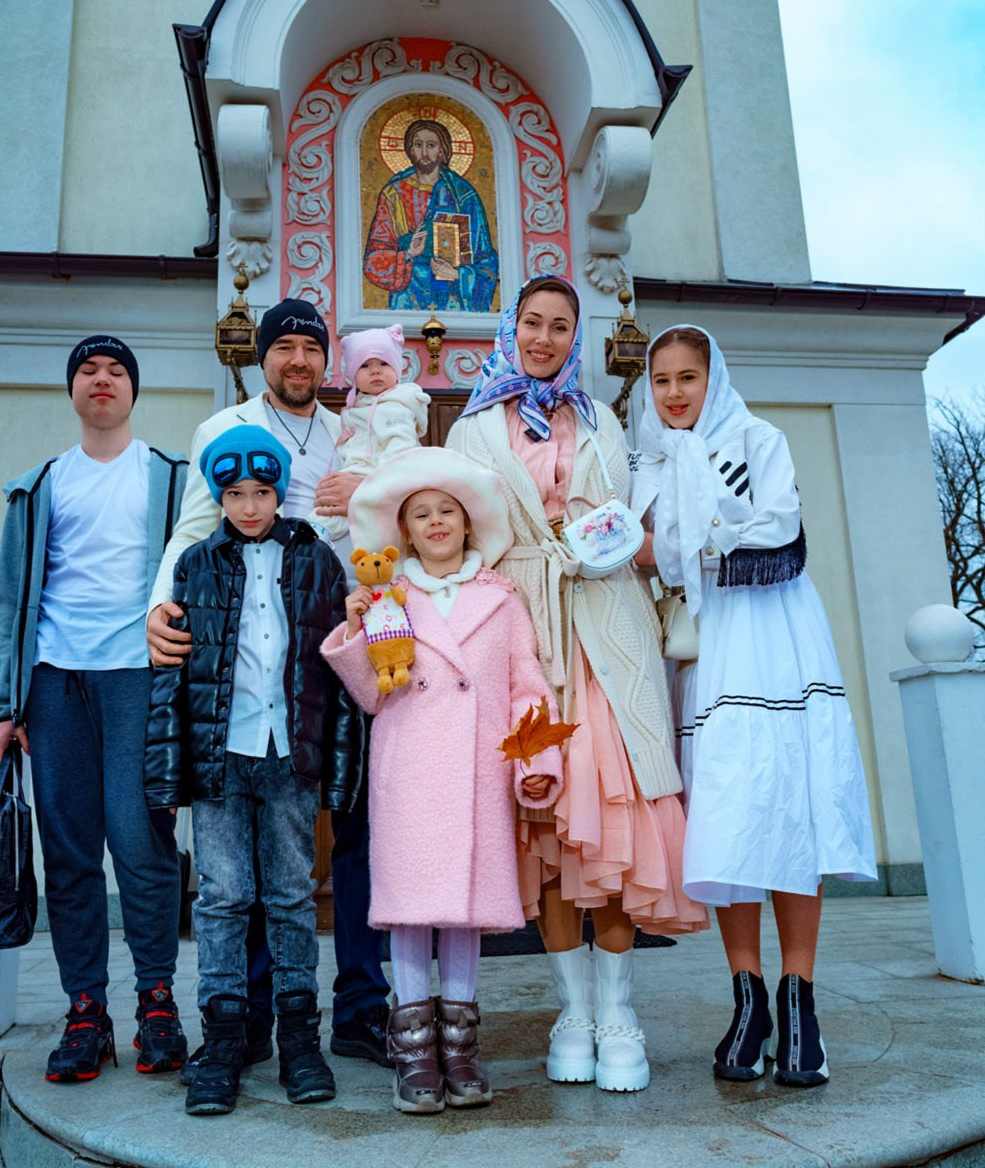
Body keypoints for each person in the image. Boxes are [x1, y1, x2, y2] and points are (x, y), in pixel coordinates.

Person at [447, 277, 706, 1094]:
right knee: (548, 829)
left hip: (606, 626)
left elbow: (631, 514)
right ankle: (572, 1012)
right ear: (510, 328)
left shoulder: (602, 420)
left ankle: (619, 1013)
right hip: (523, 631)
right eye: (533, 323)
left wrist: (598, 535)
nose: (545, 339)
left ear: (574, 339)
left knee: (614, 818)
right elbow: (453, 529)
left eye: (561, 327)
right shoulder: (469, 429)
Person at [146, 297, 391, 1072]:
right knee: (248, 848)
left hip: (350, 642)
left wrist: (365, 494)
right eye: (283, 347)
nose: (296, 361)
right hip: (255, 664)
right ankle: (250, 1014)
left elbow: (388, 526)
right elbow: (192, 532)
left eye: (309, 349)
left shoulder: (356, 429)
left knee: (356, 829)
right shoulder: (224, 431)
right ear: (263, 358)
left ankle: (358, 1004)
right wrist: (160, 606)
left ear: (327, 361)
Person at [631, 324, 877, 1087]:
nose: (673, 394)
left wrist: (680, 546)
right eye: (661, 380)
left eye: (687, 378)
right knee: (729, 809)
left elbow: (777, 526)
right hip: (702, 644)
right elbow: (630, 545)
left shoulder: (756, 436)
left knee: (786, 802)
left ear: (714, 377)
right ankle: (747, 1000)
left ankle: (799, 998)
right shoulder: (647, 462)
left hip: (771, 633)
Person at [321, 449, 563, 1113]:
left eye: (446, 511)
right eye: (419, 513)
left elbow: (526, 687)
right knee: (408, 913)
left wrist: (536, 761)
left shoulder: (500, 600)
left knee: (462, 914)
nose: (434, 521)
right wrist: (352, 631)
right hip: (410, 770)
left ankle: (459, 1048)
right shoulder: (389, 599)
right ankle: (413, 1051)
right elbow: (372, 695)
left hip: (479, 774)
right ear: (401, 530)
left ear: (467, 523)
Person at [0, 335, 189, 1084]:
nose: (101, 381)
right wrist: (5, 708)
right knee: (69, 853)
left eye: (116, 372)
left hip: (140, 677)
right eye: (87, 371)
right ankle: (85, 1012)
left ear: (133, 390)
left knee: (142, 843)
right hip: (55, 682)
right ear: (72, 390)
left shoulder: (172, 478)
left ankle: (158, 1005)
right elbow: (13, 601)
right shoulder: (38, 486)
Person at [362, 118, 499, 313]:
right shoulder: (393, 194)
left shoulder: (463, 195)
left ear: (442, 150)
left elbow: (485, 259)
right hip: (408, 295)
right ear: (410, 150)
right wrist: (408, 254)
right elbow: (373, 257)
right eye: (418, 145)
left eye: (431, 145)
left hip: (452, 296)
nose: (424, 153)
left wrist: (458, 275)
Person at [317, 323, 430, 541]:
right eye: (365, 365)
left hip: (379, 476)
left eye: (384, 363)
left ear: (397, 370)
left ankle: (312, 533)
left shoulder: (394, 407)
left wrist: (376, 484)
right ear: (352, 375)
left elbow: (401, 450)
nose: (375, 370)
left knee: (329, 514)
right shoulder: (362, 406)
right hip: (363, 473)